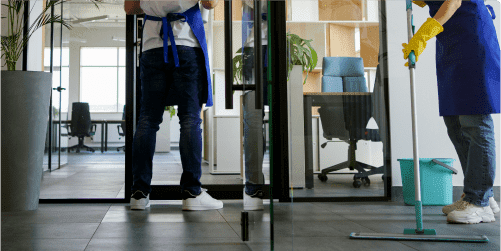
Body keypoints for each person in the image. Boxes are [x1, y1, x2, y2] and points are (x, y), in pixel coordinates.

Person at [404, 0, 500, 224]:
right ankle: (478, 192)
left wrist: (423, 33)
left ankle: (479, 202)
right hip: (452, 43)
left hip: (472, 39)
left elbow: (453, 1)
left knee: (475, 121)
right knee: (455, 123)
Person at [124, 0, 223, 211]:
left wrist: (156, 7)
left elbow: (130, 8)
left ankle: (139, 193)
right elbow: (210, 2)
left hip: (151, 46)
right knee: (189, 120)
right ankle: (192, 193)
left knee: (148, 120)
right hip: (185, 43)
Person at [241, 0, 268, 211]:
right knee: (253, 120)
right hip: (253, 50)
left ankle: (275, 181)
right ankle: (254, 183)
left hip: (275, 46)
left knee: (266, 121)